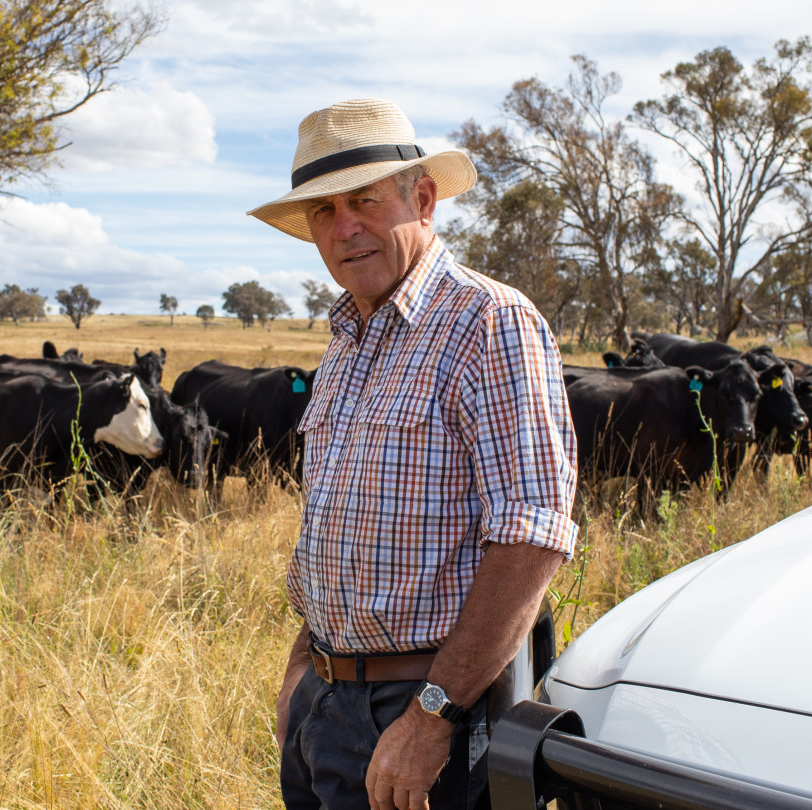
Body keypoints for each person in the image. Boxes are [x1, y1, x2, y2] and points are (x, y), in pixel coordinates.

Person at [247, 98, 579, 810]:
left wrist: (433, 716)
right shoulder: (347, 341)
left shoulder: (489, 322)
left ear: (423, 200)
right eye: (324, 211)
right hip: (328, 701)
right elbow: (340, 529)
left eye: (364, 201)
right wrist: (304, 671)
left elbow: (531, 538)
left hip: (428, 705)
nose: (345, 228)